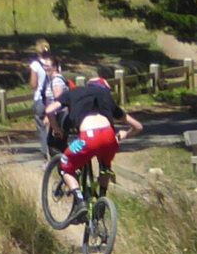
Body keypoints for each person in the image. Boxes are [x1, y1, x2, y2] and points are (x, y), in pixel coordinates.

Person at [55, 74, 144, 219]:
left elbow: (51, 110)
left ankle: (80, 202)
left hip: (87, 138)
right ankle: (102, 198)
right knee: (105, 166)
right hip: (109, 138)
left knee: (66, 166)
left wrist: (56, 127)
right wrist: (125, 135)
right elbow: (138, 126)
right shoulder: (107, 103)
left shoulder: (79, 97)